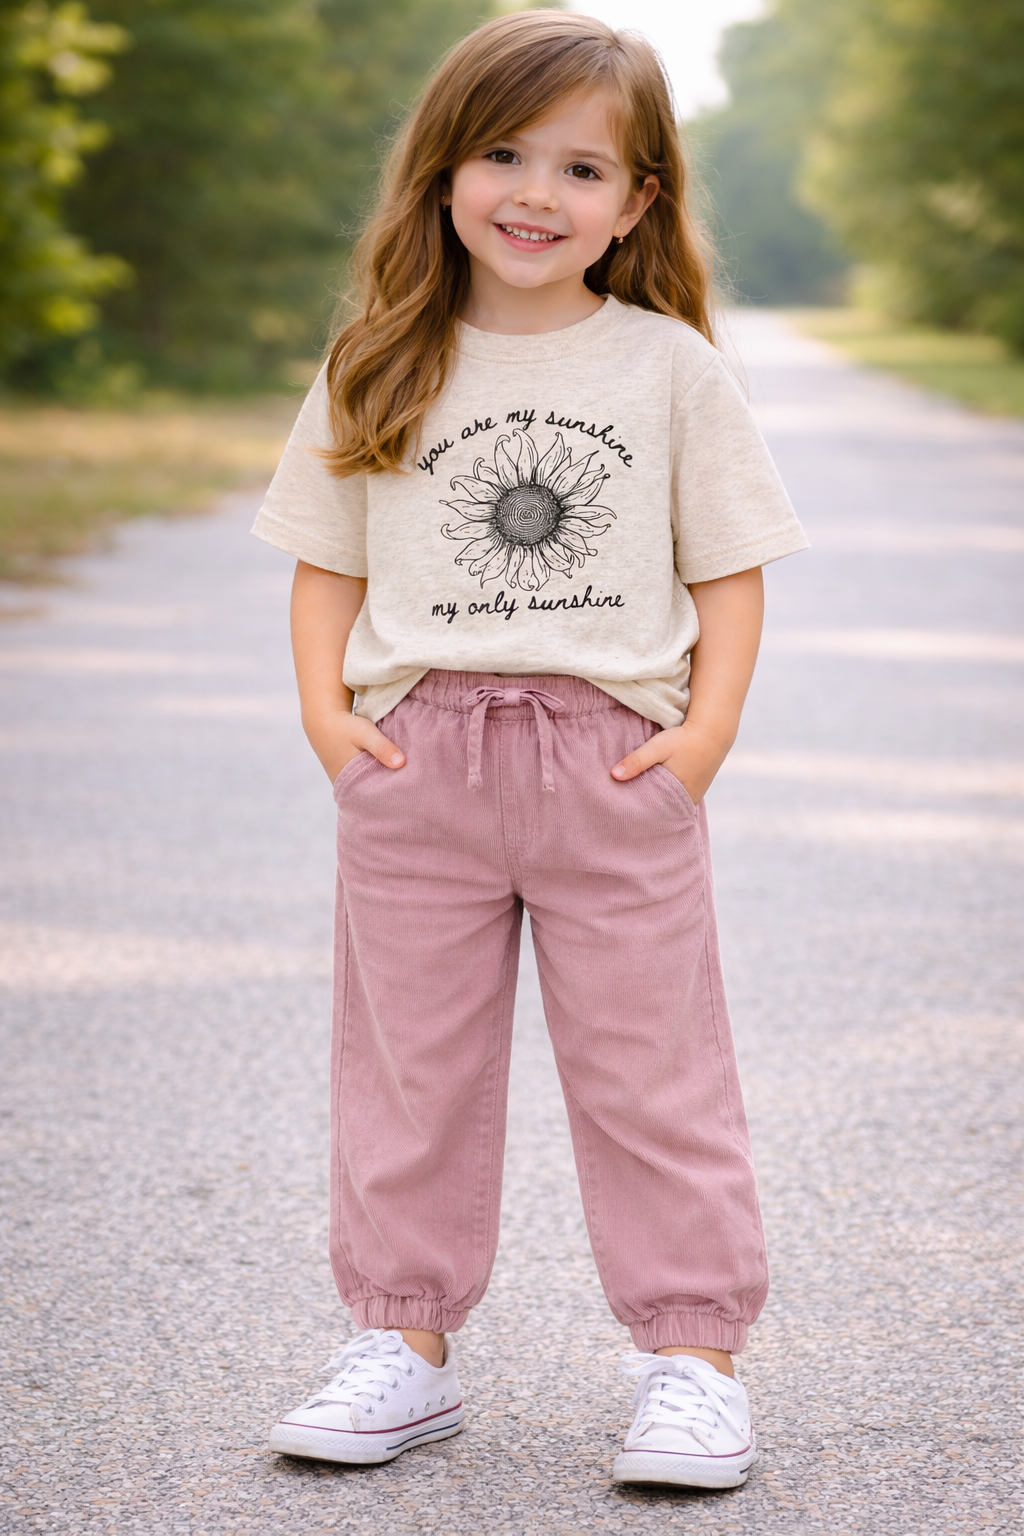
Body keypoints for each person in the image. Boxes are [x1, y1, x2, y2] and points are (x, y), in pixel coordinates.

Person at [253, 9, 807, 1490]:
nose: (535, 193)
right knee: (409, 1072)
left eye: (581, 167)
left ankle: (692, 1360)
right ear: (444, 169)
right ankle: (401, 1341)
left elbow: (730, 569)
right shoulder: (382, 356)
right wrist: (330, 722)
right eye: (503, 153)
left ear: (636, 202)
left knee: (652, 1073)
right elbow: (324, 559)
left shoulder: (669, 369)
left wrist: (700, 739)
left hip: (612, 764)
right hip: (416, 763)